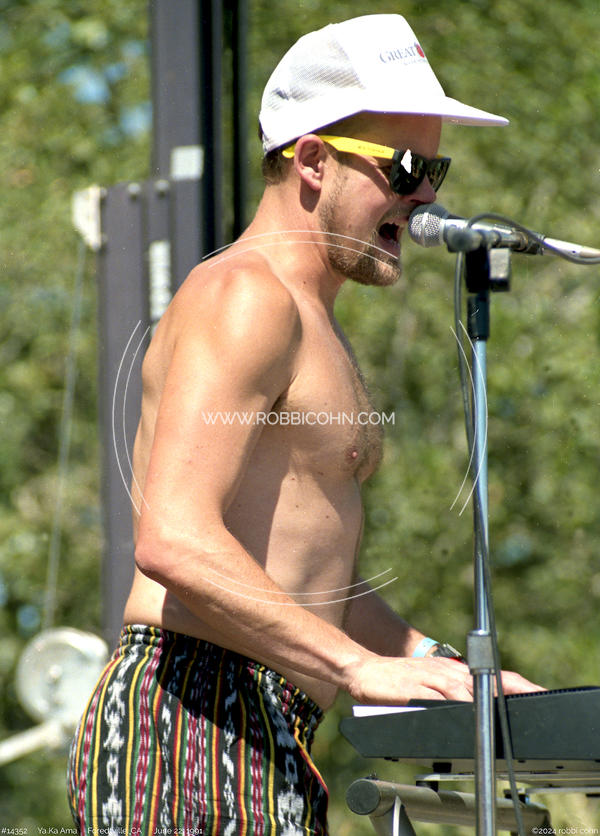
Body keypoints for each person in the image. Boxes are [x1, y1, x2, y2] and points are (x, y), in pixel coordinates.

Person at [67, 13, 542, 836]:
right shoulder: (246, 295)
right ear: (314, 161)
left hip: (266, 718)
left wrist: (435, 665)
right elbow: (173, 538)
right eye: (405, 167)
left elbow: (309, 584)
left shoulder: (312, 318)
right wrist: (357, 669)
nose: (427, 195)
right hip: (193, 709)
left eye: (436, 169)